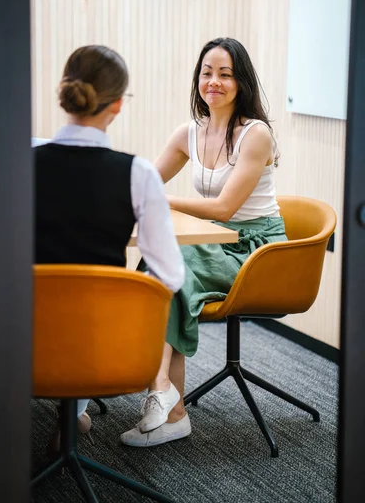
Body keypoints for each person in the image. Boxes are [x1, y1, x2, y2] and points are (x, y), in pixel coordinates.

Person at [121, 37, 287, 447]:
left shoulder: (256, 135)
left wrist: (158, 198)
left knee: (171, 268)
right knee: (163, 271)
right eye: (207, 73)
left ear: (241, 82)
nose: (214, 81)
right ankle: (168, 405)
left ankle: (165, 400)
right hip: (211, 243)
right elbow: (144, 182)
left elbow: (226, 209)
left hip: (254, 250)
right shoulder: (189, 132)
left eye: (225, 74)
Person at [33, 45, 185, 448]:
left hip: (20, 339)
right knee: (96, 312)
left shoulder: (16, 163)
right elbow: (169, 274)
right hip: (107, 343)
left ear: (64, 94)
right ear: (118, 104)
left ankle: (72, 413)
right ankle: (74, 410)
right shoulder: (137, 174)